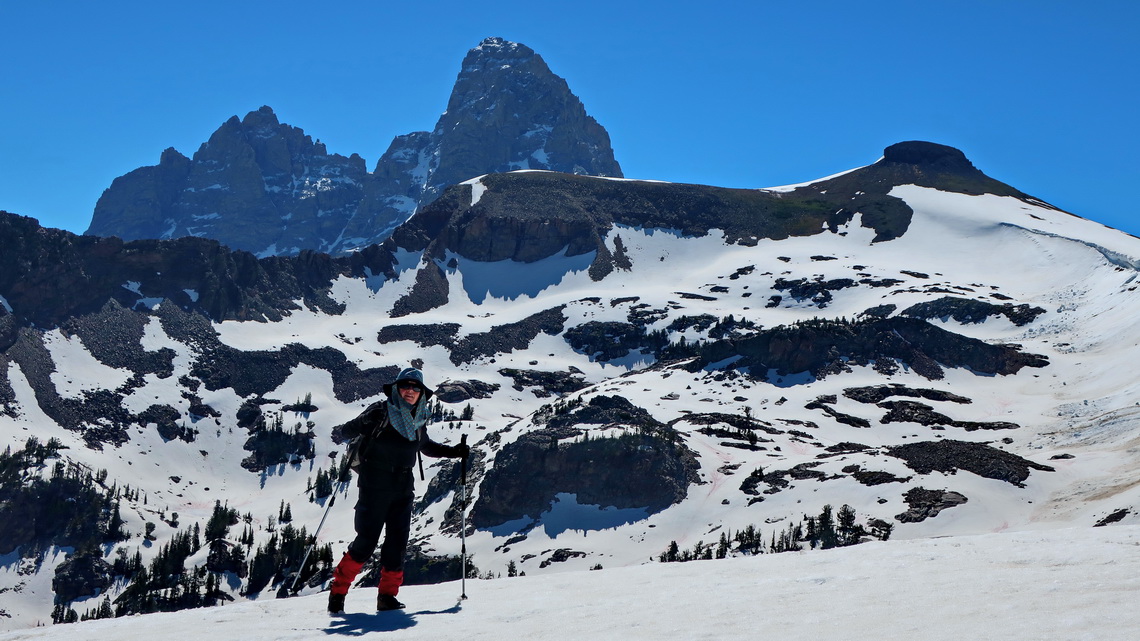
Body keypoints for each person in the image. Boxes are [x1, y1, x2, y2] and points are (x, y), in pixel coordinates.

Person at [327, 367, 469, 614]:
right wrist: (363, 423)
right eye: (405, 386)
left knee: (397, 544)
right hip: (374, 486)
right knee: (365, 542)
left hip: (403, 488)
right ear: (396, 389)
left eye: (416, 388)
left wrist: (454, 452)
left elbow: (425, 447)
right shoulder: (380, 412)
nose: (410, 391)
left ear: (422, 393)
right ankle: (337, 596)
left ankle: (387, 598)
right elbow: (346, 431)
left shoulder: (417, 420)